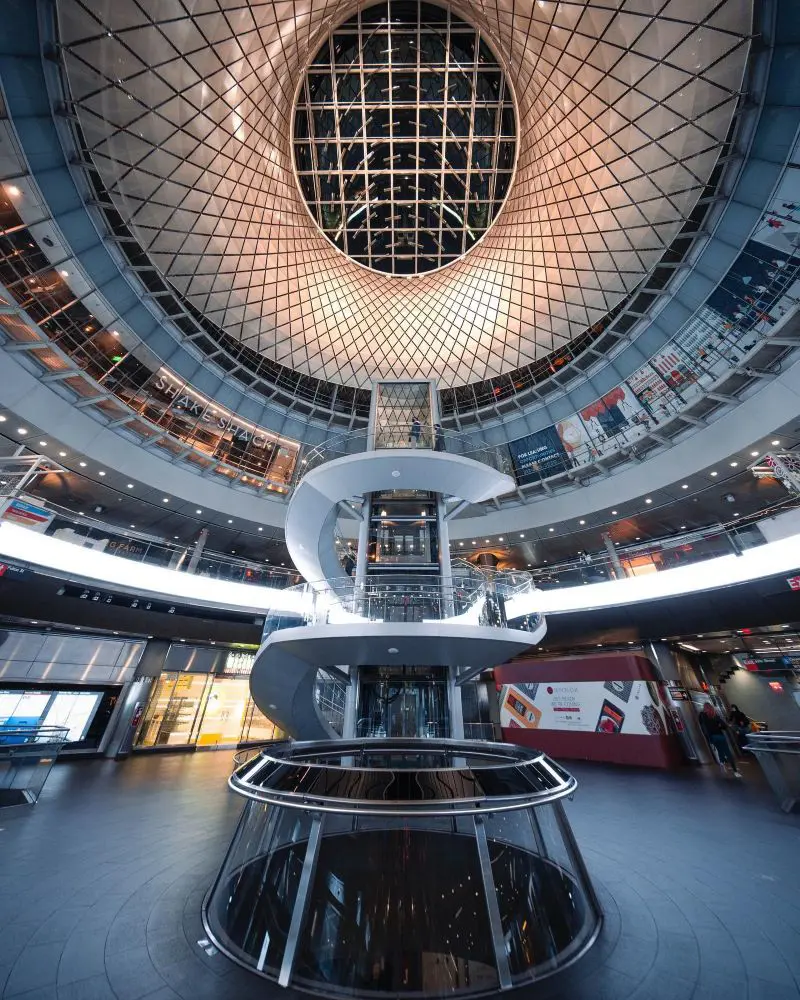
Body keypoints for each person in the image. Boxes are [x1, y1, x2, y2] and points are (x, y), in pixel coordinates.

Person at [698, 702, 741, 777]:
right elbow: (724, 726)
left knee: (719, 750)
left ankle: (722, 763)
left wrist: (708, 738)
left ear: (704, 708)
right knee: (727, 753)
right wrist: (719, 726)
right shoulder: (715, 715)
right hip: (720, 736)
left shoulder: (702, 715)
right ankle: (735, 771)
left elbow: (703, 726)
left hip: (712, 737)